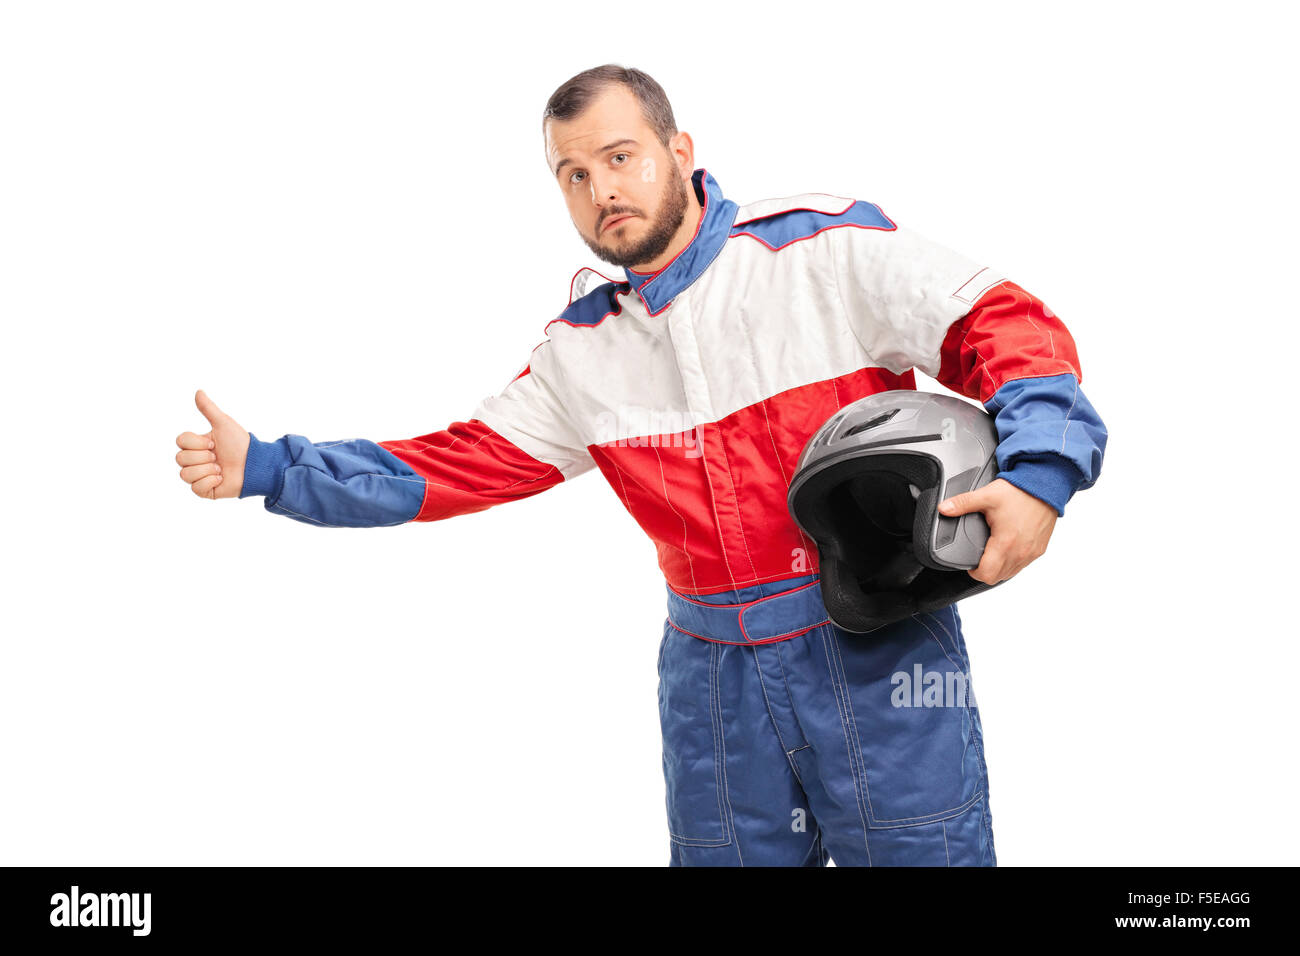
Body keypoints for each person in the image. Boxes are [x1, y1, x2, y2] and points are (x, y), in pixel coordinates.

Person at [175, 64, 1107, 866]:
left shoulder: (821, 254)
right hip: (711, 681)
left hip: (872, 643)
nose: (599, 190)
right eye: (572, 174)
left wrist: (1039, 477)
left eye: (619, 157)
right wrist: (270, 468)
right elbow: (451, 466)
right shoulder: (580, 356)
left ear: (678, 147)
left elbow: (1007, 324)